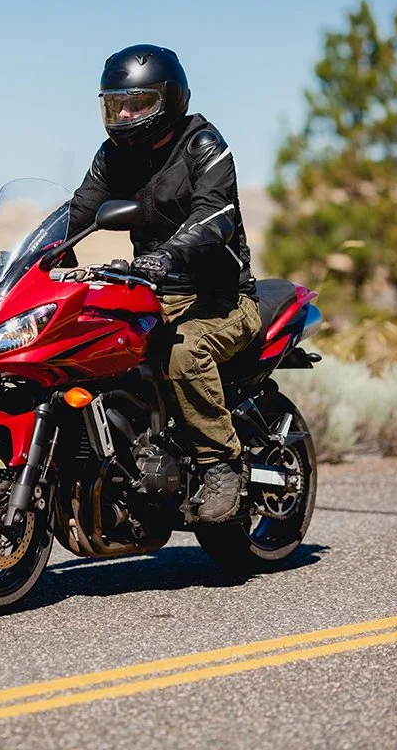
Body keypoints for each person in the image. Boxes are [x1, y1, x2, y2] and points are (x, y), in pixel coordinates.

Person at [67, 44, 261, 523]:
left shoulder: (204, 145)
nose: (127, 114)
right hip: (154, 294)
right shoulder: (113, 156)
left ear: (169, 100)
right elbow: (79, 210)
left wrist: (167, 255)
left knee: (183, 350)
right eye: (118, 104)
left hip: (222, 299)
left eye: (139, 103)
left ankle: (222, 466)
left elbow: (213, 216)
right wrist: (31, 252)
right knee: (88, 340)